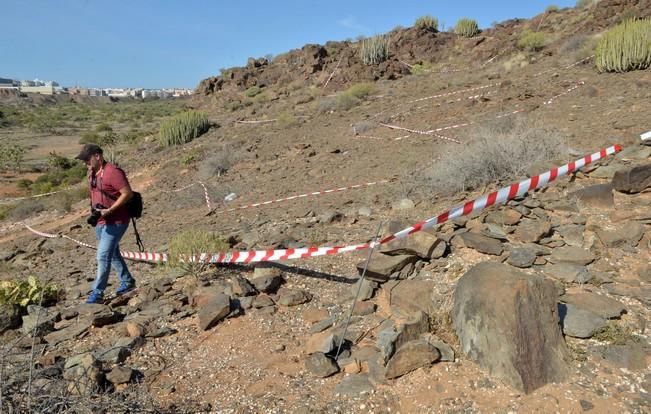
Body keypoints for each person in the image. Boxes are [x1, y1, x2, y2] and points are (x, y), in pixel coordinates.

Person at [75, 143, 136, 303]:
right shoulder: (92, 174)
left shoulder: (113, 172)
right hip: (101, 221)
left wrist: (110, 210)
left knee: (103, 255)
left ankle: (98, 292)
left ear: (97, 156)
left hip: (116, 220)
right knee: (113, 252)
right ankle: (128, 281)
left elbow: (127, 193)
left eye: (87, 159)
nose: (85, 163)